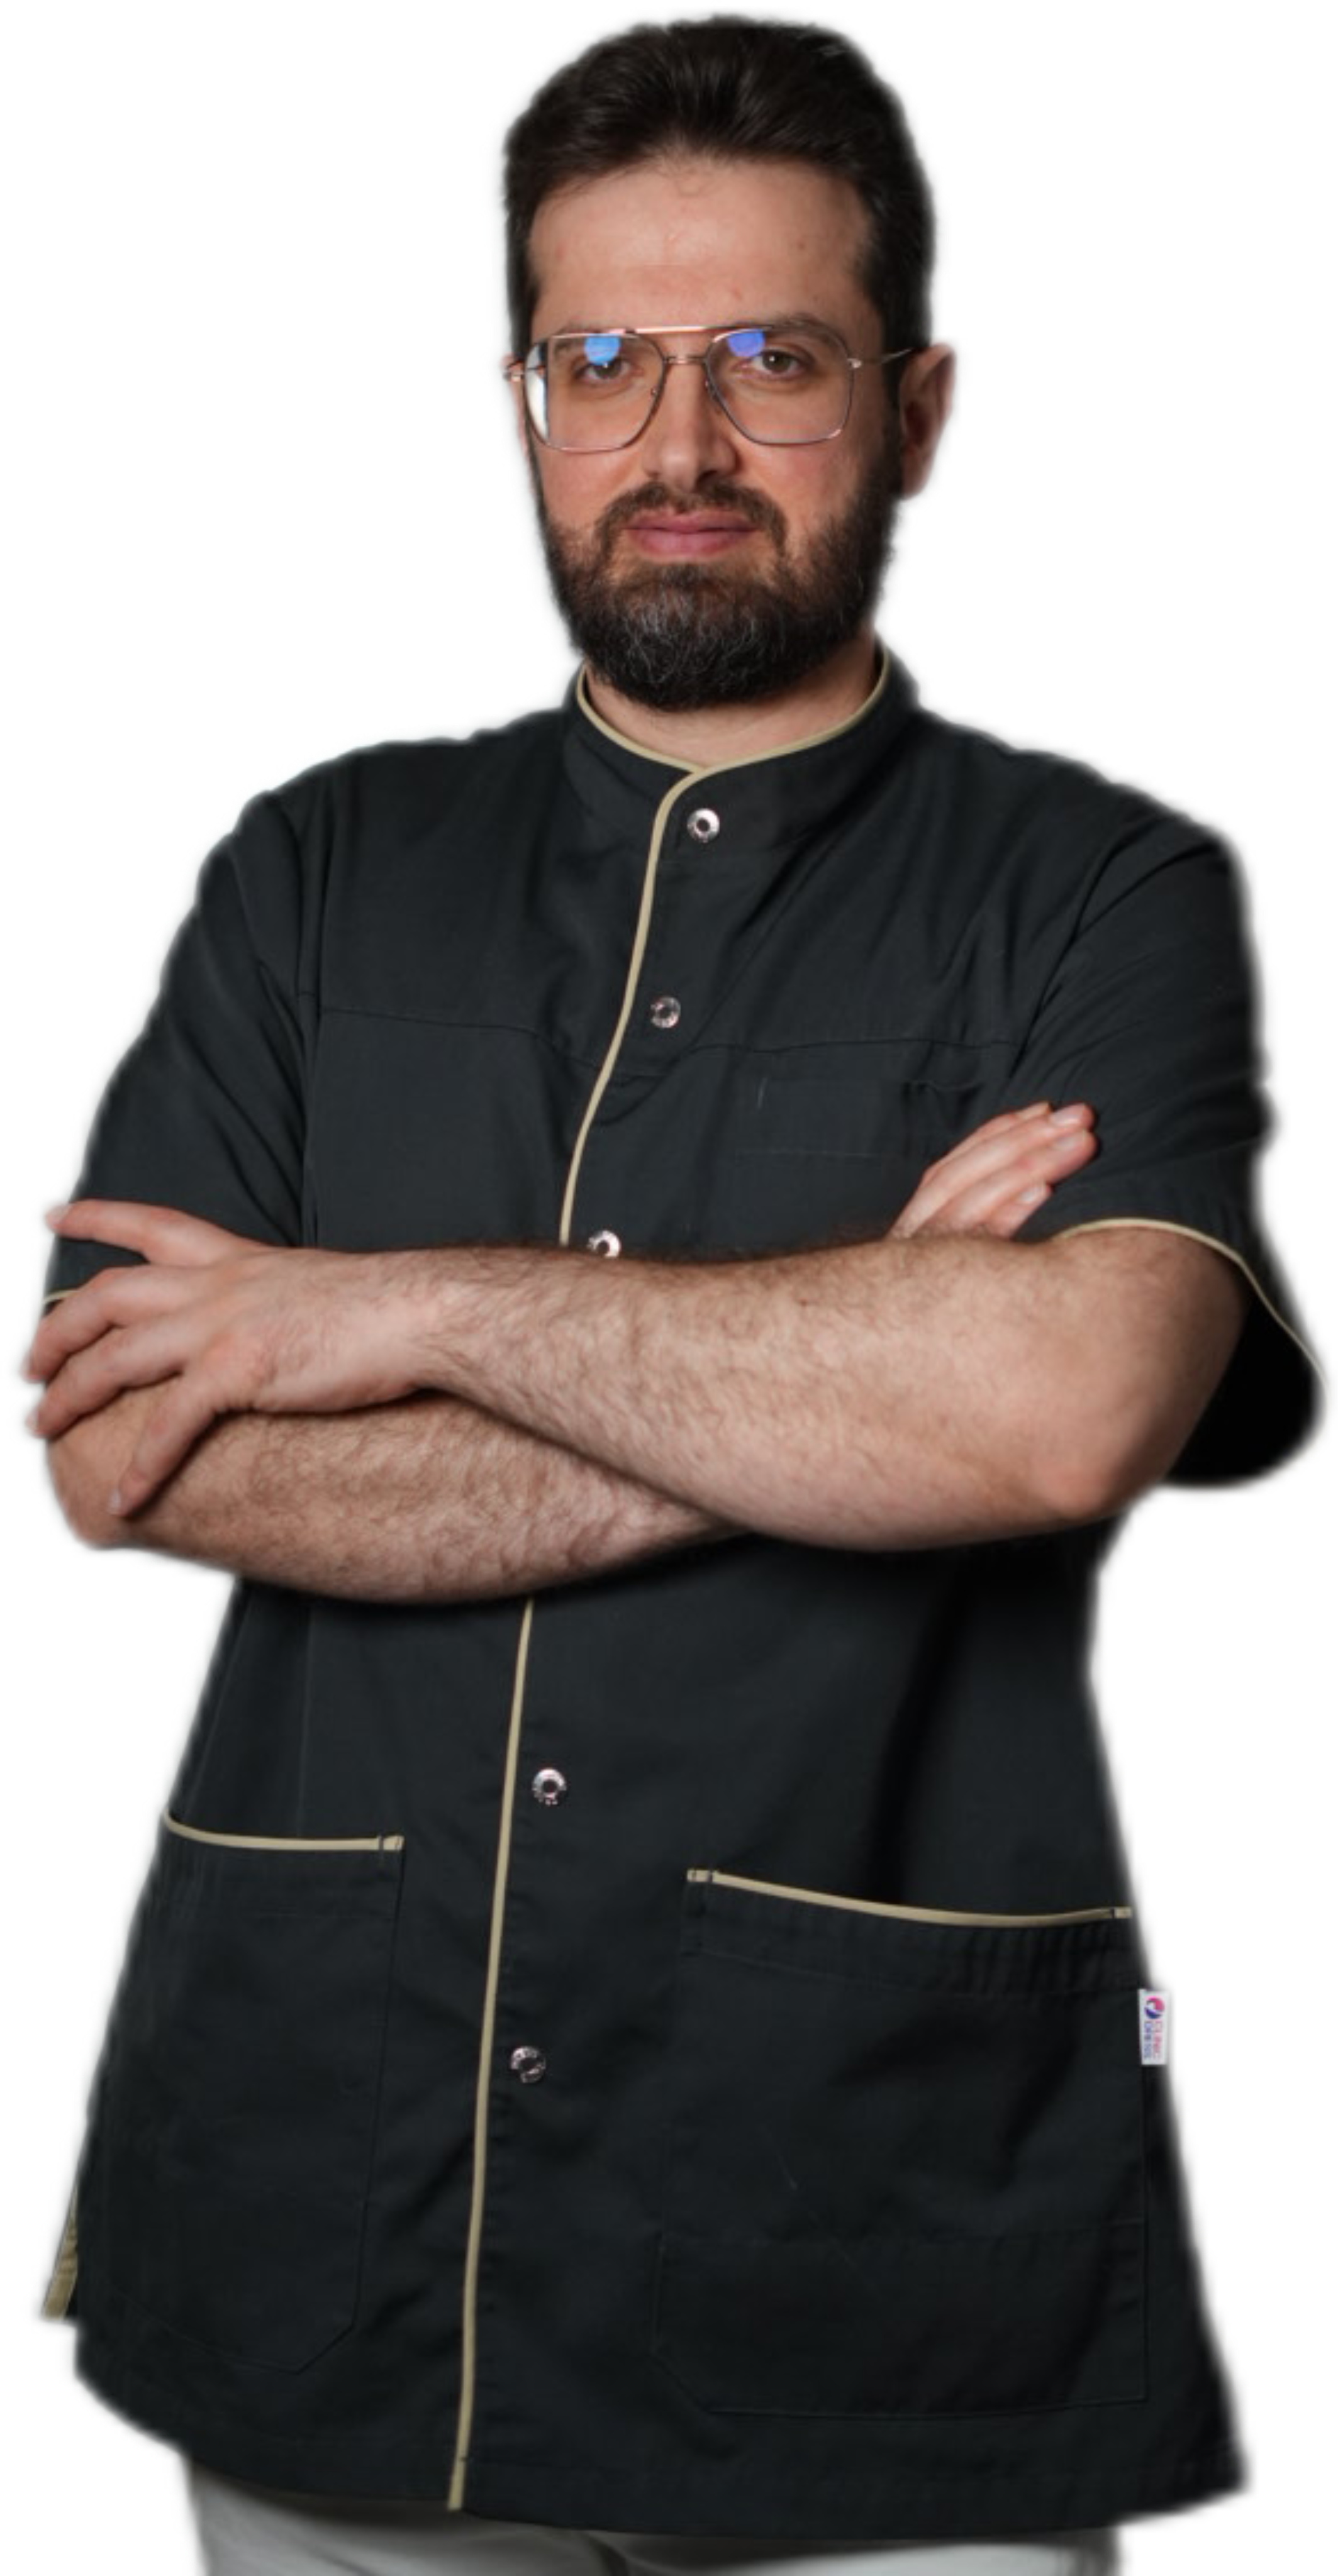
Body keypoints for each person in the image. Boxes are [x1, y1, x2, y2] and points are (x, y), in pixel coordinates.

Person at [18, 10, 1330, 2573]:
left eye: (773, 359)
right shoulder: (308, 868)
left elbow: (1064, 1413)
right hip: (324, 2176)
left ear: (924, 407)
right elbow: (128, 1448)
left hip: (883, 2224)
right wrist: (849, 1369)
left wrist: (398, 1310)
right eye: (600, 361)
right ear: (515, 400)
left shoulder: (1114, 888)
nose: (679, 441)